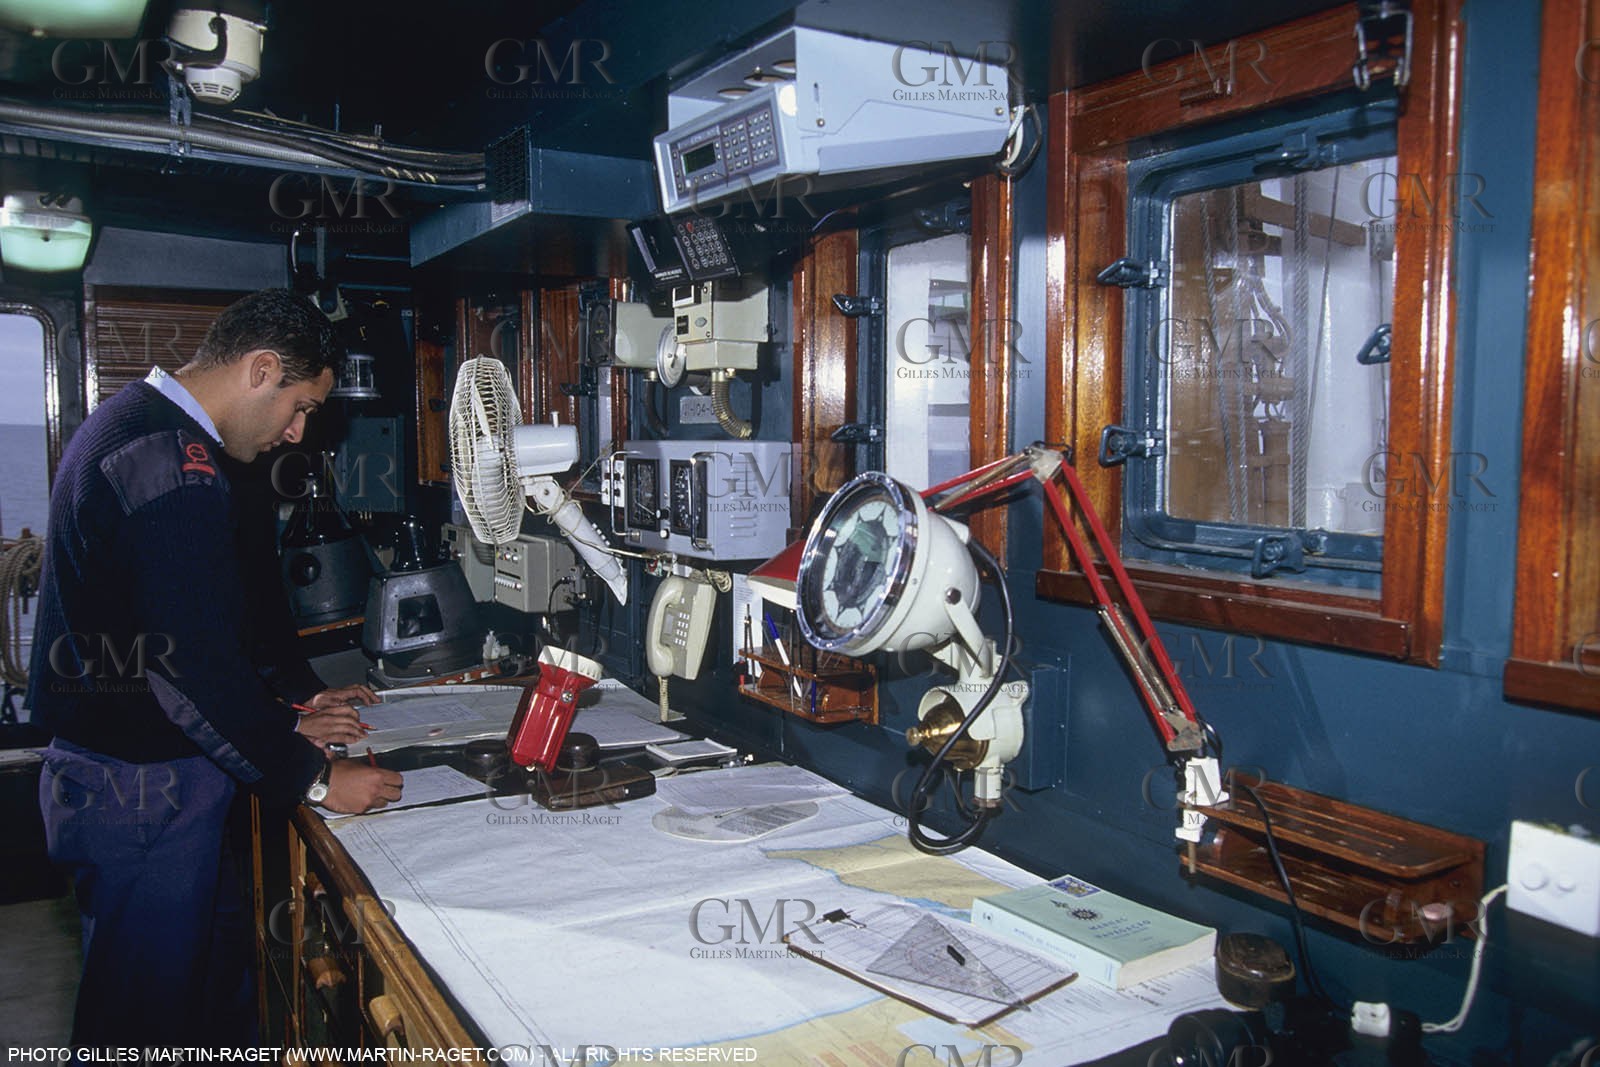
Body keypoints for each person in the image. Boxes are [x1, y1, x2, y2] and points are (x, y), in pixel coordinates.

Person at [28, 288, 403, 1050]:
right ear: (260, 368)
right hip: (138, 787)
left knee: (206, 992)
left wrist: (286, 711)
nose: (295, 432)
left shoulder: (138, 426)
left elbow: (209, 622)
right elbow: (191, 667)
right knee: (141, 1020)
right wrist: (319, 776)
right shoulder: (172, 461)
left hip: (143, 777)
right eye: (299, 408)